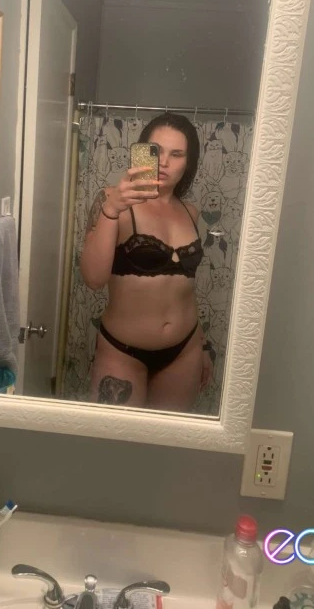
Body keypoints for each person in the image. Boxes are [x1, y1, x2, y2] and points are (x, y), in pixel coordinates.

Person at [80, 112, 214, 412]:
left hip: (185, 350)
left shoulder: (190, 212)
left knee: (168, 439)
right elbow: (93, 278)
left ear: (188, 162)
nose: (164, 162)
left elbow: (185, 289)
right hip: (122, 352)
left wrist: (203, 344)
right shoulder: (112, 201)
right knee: (114, 438)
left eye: (177, 154)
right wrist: (111, 211)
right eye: (156, 151)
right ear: (141, 152)